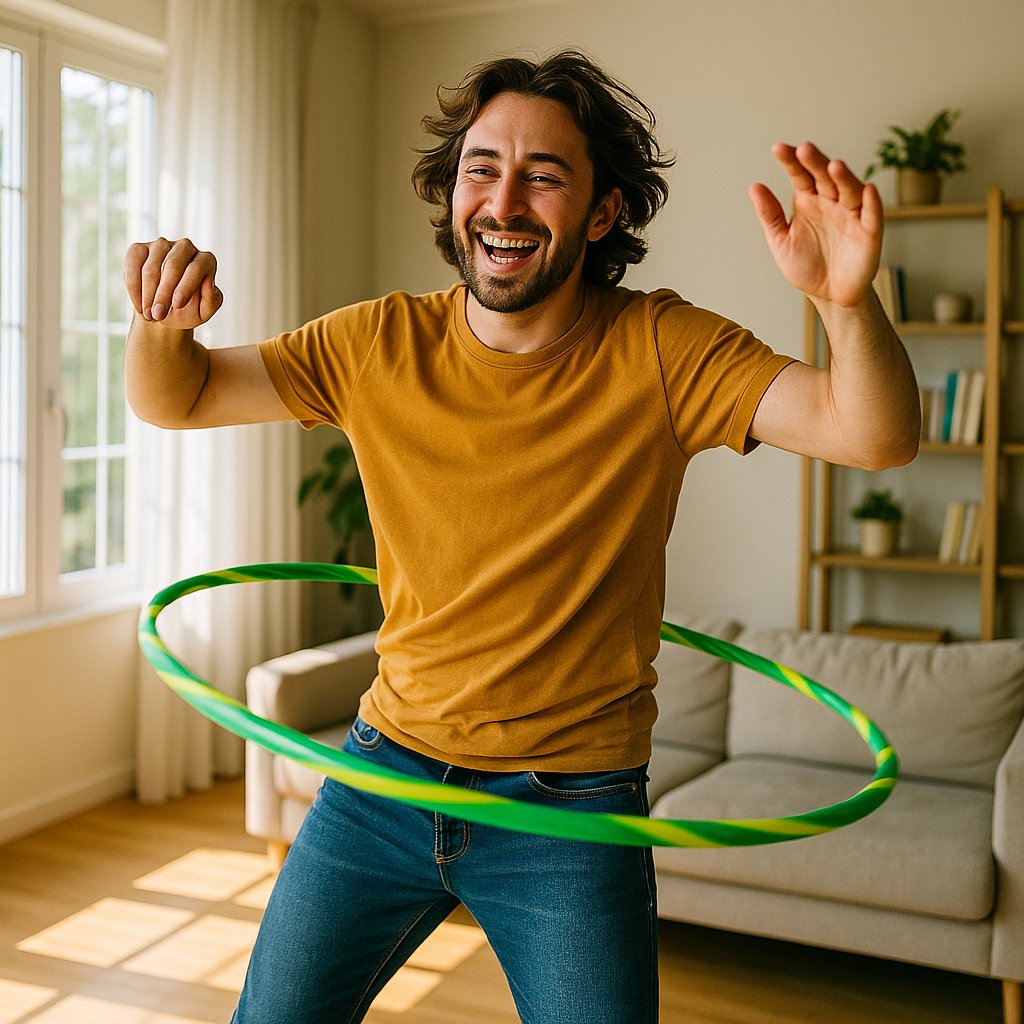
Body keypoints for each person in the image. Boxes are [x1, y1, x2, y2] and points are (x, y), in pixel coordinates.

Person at [124, 50, 919, 1024]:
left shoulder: (664, 350)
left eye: (543, 175)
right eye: (480, 166)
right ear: (452, 190)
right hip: (382, 774)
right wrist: (160, 325)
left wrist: (846, 304)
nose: (502, 199)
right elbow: (183, 395)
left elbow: (872, 434)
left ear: (599, 214)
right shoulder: (375, 345)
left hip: (570, 808)